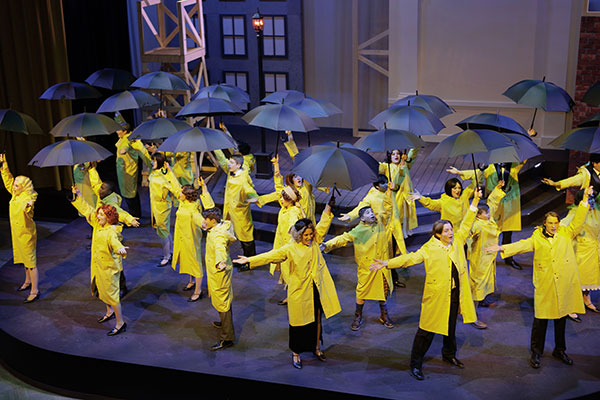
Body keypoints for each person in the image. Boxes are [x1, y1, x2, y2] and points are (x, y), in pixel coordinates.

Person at [369, 189, 482, 381]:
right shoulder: (429, 248)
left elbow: (467, 222)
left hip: (455, 293)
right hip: (437, 295)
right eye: (446, 231)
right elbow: (410, 259)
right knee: (426, 331)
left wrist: (476, 201)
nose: (451, 233)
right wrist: (387, 263)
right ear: (438, 234)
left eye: (450, 229)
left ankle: (449, 354)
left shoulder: (457, 241)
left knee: (451, 326)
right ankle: (415, 364)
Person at [486, 186, 592, 369]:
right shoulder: (537, 237)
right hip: (546, 284)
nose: (553, 226)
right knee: (540, 321)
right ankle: (536, 352)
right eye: (550, 223)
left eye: (556, 223)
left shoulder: (566, 233)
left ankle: (560, 350)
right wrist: (502, 248)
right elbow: (523, 245)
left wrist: (584, 201)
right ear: (544, 223)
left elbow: (579, 221)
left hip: (563, 284)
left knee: (561, 321)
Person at [233, 203, 341, 369]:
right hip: (300, 291)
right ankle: (296, 353)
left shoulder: (314, 241)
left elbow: (323, 226)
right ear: (298, 235)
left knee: (317, 320)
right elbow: (271, 256)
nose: (309, 237)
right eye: (306, 235)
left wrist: (327, 210)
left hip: (316, 288)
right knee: (298, 325)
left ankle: (316, 348)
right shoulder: (290, 248)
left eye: (310, 234)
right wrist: (249, 260)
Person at [321, 206, 394, 330]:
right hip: (367, 267)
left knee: (383, 290)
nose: (372, 214)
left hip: (381, 265)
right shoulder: (359, 230)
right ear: (362, 218)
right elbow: (343, 238)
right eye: (368, 213)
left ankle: (384, 315)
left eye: (372, 211)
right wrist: (327, 244)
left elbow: (387, 209)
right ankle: (358, 316)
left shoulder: (380, 224)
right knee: (362, 291)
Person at [71, 188, 129, 336]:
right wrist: (78, 196)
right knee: (102, 291)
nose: (98, 216)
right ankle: (109, 312)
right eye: (99, 214)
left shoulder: (111, 231)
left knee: (113, 296)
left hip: (109, 268)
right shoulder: (98, 225)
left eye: (102, 215)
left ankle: (120, 323)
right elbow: (87, 210)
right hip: (98, 265)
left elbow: (116, 244)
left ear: (109, 217)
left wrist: (121, 250)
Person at [450, 161, 527, 270]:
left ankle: (508, 258)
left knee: (508, 233)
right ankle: (488, 256)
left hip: (509, 204)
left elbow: (523, 159)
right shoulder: (489, 166)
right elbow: (477, 172)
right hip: (494, 204)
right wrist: (459, 172)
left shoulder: (513, 165)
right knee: (488, 233)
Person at [258, 155, 304, 305]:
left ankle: (294, 298)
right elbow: (279, 188)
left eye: (283, 199)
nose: (281, 200)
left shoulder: (293, 211)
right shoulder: (286, 207)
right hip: (282, 244)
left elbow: (293, 227)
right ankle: (291, 295)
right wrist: (276, 166)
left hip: (289, 247)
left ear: (291, 200)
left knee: (291, 272)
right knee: (287, 272)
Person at [467, 181, 506, 329]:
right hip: (480, 259)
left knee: (485, 284)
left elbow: (493, 204)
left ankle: (482, 300)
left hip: (489, 258)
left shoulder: (488, 221)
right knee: (477, 285)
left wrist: (497, 189)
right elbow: (467, 233)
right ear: (478, 215)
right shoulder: (477, 224)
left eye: (488, 213)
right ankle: (472, 315)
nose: (489, 215)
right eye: (486, 213)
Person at [0, 154, 39, 303]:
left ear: (23, 187)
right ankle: (27, 281)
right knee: (24, 260)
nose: (14, 187)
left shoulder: (27, 198)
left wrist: (29, 205)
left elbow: (29, 205)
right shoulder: (15, 195)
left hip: (26, 234)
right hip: (17, 233)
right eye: (15, 185)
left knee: (31, 262)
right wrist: (4, 165)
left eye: (17, 185)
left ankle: (35, 290)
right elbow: (8, 180)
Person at [558, 188, 600, 322]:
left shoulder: (596, 212)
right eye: (589, 199)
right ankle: (570, 307)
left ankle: (586, 299)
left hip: (592, 250)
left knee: (589, 278)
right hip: (579, 252)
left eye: (593, 199)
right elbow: (563, 227)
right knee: (575, 281)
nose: (592, 202)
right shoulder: (575, 212)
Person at [172, 178, 214, 302]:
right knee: (188, 260)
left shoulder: (193, 208)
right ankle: (192, 281)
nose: (179, 193)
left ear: (187, 195)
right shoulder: (182, 202)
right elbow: (175, 186)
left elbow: (199, 218)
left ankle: (198, 291)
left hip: (190, 238)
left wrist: (204, 224)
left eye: (181, 192)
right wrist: (169, 172)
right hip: (181, 236)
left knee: (195, 262)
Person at [202, 207, 237, 351]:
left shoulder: (218, 236)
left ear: (213, 221)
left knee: (223, 303)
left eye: (206, 220)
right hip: (216, 271)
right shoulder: (222, 225)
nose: (204, 221)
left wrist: (221, 261)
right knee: (222, 300)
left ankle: (227, 338)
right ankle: (224, 323)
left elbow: (219, 247)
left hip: (219, 272)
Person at [214, 153, 260, 257]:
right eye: (229, 162)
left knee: (246, 237)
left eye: (231, 162)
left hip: (240, 212)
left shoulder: (242, 178)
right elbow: (222, 160)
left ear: (238, 165)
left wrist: (255, 197)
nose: (229, 164)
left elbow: (249, 189)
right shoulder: (231, 172)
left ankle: (249, 260)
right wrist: (215, 149)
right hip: (229, 209)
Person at [410, 169, 480, 228]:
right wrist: (420, 198)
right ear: (449, 189)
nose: (457, 190)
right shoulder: (443, 202)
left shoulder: (464, 195)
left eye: (459, 188)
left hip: (467, 231)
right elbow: (431, 203)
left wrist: (460, 172)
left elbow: (478, 175)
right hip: (453, 235)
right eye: (455, 188)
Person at [146, 152, 182, 266]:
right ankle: (170, 252)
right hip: (155, 205)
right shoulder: (154, 172)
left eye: (155, 161)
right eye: (152, 160)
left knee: (163, 231)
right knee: (164, 230)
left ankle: (167, 256)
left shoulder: (165, 175)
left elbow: (177, 190)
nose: (152, 162)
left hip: (162, 207)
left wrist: (170, 173)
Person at [114, 118, 147, 218]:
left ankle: (134, 217)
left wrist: (124, 150)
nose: (117, 132)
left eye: (119, 130)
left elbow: (125, 146)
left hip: (128, 171)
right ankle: (136, 215)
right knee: (130, 193)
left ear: (125, 131)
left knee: (130, 194)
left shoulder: (127, 139)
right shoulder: (125, 137)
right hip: (124, 171)